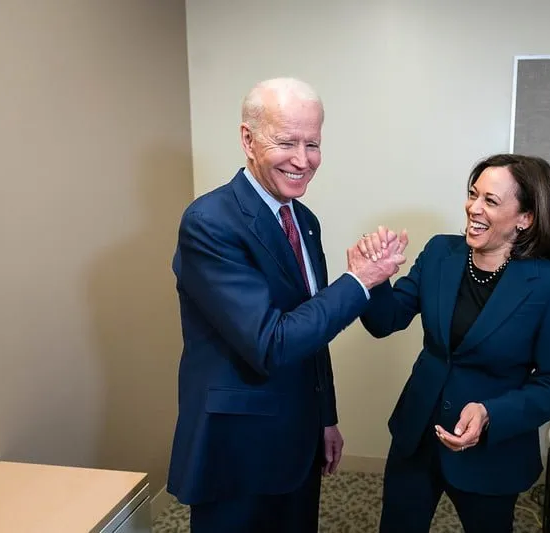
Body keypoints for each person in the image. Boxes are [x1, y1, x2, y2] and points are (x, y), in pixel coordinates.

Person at [166, 77, 407, 532]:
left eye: (312, 143)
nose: (303, 160)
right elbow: (272, 341)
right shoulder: (209, 222)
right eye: (286, 142)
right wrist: (359, 280)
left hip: (297, 438)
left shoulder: (303, 219)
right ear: (248, 139)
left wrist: (325, 418)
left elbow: (311, 333)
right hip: (237, 448)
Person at [356, 153, 550, 533]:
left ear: (525, 218)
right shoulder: (441, 252)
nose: (473, 208)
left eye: (490, 201)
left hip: (491, 452)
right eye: (473, 194)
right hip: (418, 435)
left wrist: (492, 413)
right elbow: (385, 321)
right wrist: (373, 279)